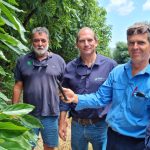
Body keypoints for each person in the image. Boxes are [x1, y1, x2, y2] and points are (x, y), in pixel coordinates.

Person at [60, 22, 150, 150]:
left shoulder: (110, 65)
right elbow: (100, 98)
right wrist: (75, 98)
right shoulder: (117, 72)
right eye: (131, 43)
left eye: (141, 42)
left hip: (138, 143)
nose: (135, 47)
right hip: (112, 138)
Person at [59, 27, 117, 150]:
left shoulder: (110, 66)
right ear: (77, 44)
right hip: (77, 125)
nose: (86, 44)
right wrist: (62, 122)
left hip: (102, 125)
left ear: (96, 42)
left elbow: (118, 97)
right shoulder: (69, 67)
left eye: (90, 40)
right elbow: (64, 99)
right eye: (82, 41)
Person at [12, 27, 66, 150]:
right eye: (36, 40)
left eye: (43, 40)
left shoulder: (59, 61)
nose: (40, 44)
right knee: (26, 146)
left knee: (49, 147)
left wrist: (63, 117)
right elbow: (18, 86)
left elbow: (64, 90)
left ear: (48, 41)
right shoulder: (22, 61)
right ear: (32, 42)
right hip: (28, 114)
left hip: (51, 114)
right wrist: (14, 111)